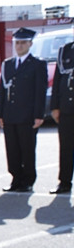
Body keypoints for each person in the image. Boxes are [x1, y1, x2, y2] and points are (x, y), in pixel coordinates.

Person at [0, 27, 47, 193]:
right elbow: (3, 91)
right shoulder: (8, 64)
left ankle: (27, 180)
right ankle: (15, 178)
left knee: (27, 149)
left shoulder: (37, 64)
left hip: (27, 115)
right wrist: (0, 114)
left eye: (22, 43)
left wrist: (38, 115)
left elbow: (40, 92)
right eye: (17, 43)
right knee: (12, 149)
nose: (19, 46)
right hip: (10, 114)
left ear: (30, 44)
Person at [48, 20, 74, 194]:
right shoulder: (65, 50)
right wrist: (55, 106)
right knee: (66, 147)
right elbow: (57, 81)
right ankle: (64, 182)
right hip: (67, 108)